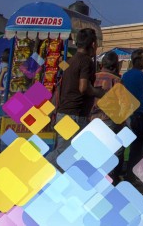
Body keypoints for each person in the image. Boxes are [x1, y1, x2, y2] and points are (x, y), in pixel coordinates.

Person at [53, 28, 100, 160]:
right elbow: (83, 88)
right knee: (64, 154)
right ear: (93, 44)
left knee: (66, 153)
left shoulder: (70, 61)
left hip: (65, 112)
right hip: (75, 114)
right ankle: (39, 173)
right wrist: (99, 92)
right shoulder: (86, 61)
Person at [90, 51, 125, 183]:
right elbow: (123, 104)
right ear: (116, 66)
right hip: (108, 119)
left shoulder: (92, 77)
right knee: (114, 149)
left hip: (91, 119)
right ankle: (110, 178)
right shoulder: (116, 80)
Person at [120, 48, 143, 175]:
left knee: (123, 144)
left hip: (124, 113)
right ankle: (131, 173)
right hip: (139, 113)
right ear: (137, 60)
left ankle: (120, 170)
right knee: (137, 146)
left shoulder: (125, 75)